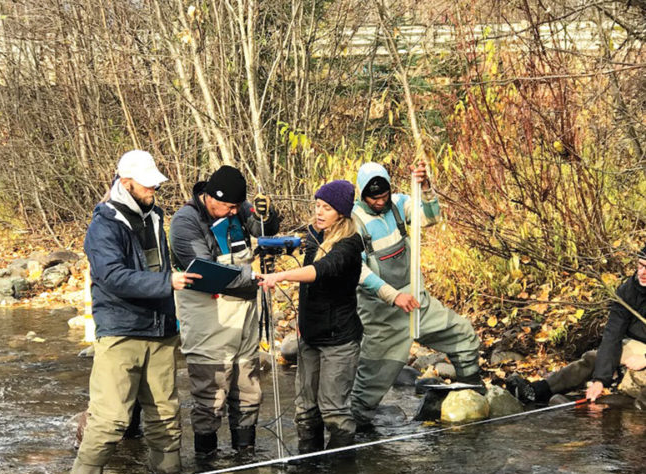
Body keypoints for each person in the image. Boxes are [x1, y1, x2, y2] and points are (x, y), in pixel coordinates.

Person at [70, 150, 199, 474]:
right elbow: (112, 277)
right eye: (149, 183)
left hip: (161, 330)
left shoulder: (155, 215)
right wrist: (166, 283)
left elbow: (157, 267)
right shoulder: (103, 225)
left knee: (166, 418)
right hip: (120, 331)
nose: (155, 187)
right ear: (126, 183)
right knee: (110, 420)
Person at [350, 161, 483, 430]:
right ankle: (352, 439)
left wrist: (425, 189)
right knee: (366, 393)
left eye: (384, 195)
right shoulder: (353, 222)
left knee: (465, 336)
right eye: (373, 197)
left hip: (419, 306)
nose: (380, 201)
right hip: (383, 318)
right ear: (362, 194)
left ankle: (473, 397)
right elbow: (358, 272)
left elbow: (430, 218)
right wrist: (392, 296)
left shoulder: (398, 204)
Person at [169, 165, 279, 458]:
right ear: (211, 198)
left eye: (238, 207)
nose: (234, 212)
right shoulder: (185, 223)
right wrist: (253, 277)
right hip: (208, 317)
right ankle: (207, 467)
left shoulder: (237, 208)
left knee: (248, 391)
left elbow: (264, 231)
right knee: (210, 397)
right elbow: (206, 272)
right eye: (230, 206)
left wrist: (264, 215)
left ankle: (246, 455)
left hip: (243, 316)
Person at [257, 180, 363, 451]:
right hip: (310, 336)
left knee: (333, 411)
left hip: (339, 340)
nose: (319, 212)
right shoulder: (315, 237)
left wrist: (280, 275)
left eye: (326, 208)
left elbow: (320, 271)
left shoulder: (349, 245)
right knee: (305, 410)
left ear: (341, 212)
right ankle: (310, 468)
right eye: (317, 206)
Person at [507, 246, 646, 404]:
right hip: (636, 343)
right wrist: (600, 380)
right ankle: (537, 391)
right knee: (594, 357)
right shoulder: (628, 290)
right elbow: (612, 335)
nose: (642, 272)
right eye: (640, 265)